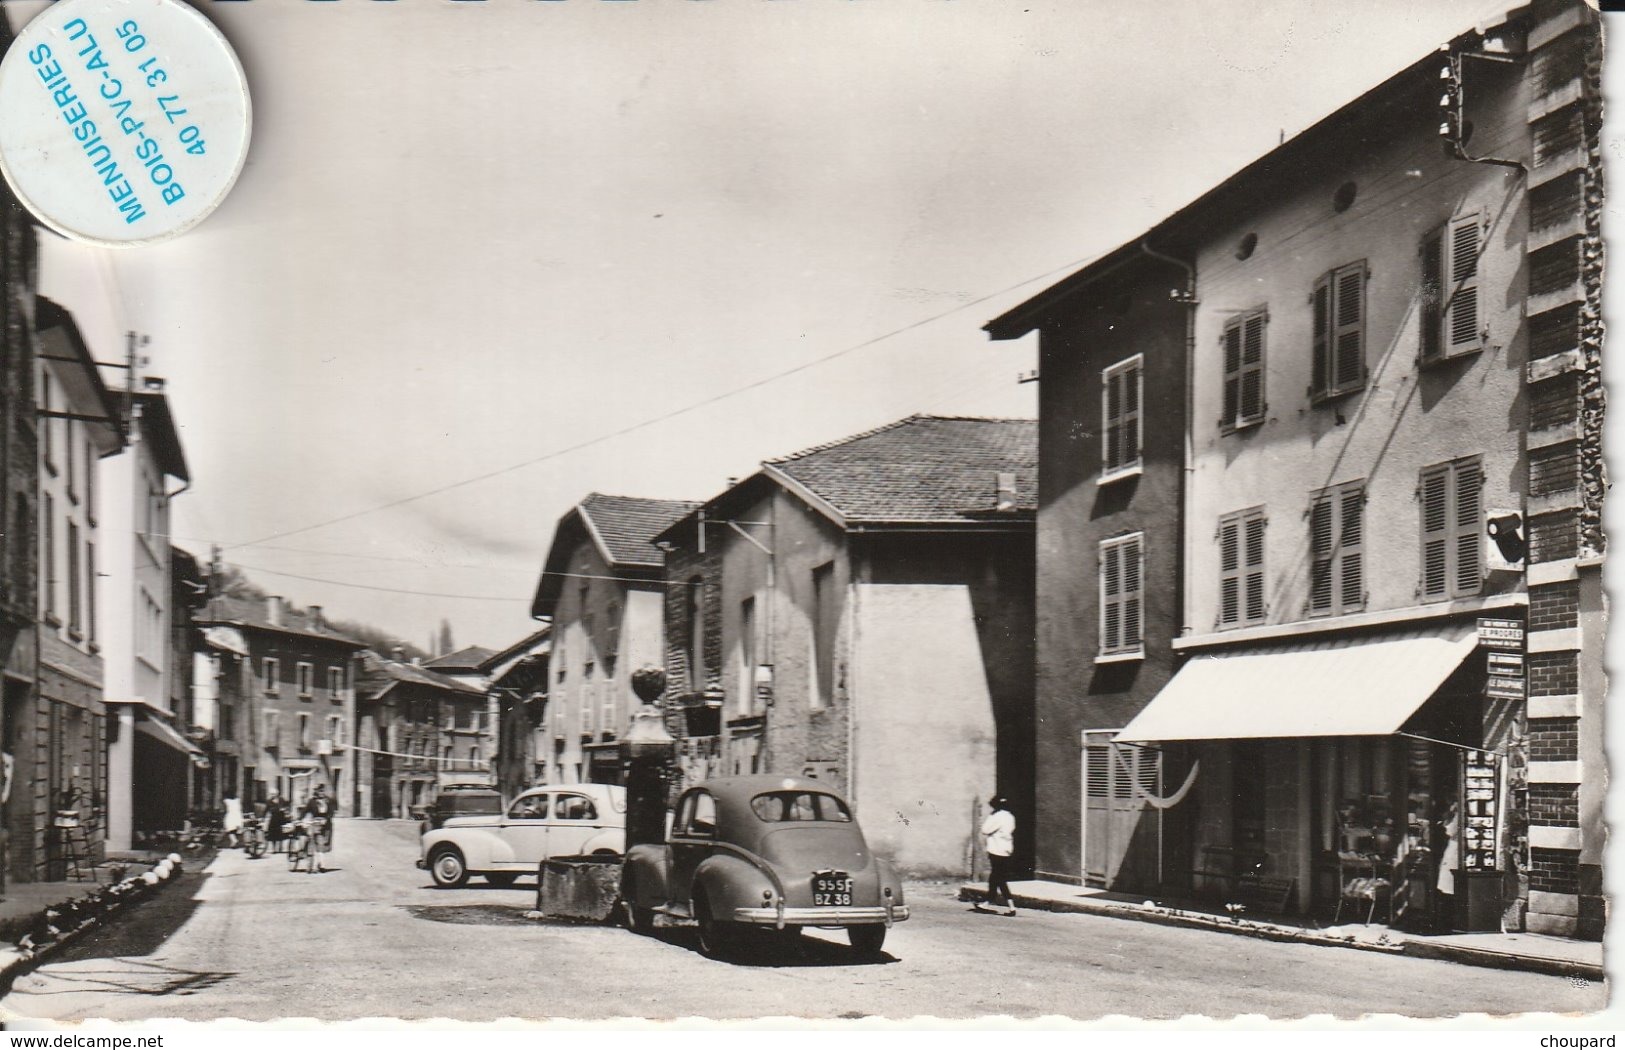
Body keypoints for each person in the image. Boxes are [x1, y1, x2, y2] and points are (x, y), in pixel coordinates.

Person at [980, 795, 1017, 916]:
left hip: (996, 849)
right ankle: (989, 901)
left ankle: (1009, 906)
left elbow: (985, 830)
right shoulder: (1010, 817)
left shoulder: (996, 816)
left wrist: (991, 816)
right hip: (1006, 849)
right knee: (996, 877)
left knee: (998, 878)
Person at [301, 782, 336, 872]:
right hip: (314, 824)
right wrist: (300, 819)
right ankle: (309, 863)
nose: (321, 792)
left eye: (322, 791)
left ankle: (322, 864)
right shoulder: (312, 801)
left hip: (325, 825)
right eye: (319, 791)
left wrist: (326, 819)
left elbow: (331, 813)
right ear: (316, 792)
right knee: (311, 841)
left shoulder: (328, 801)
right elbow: (305, 811)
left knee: (321, 844)